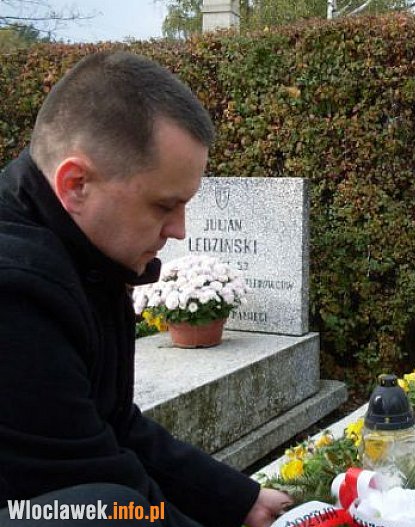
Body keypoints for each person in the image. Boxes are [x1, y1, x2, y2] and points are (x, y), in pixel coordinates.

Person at [0, 51, 292, 526]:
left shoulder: (83, 255)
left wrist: (242, 500)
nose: (179, 230)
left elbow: (113, 422)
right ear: (75, 184)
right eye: (163, 206)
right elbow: (89, 493)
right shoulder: (15, 295)